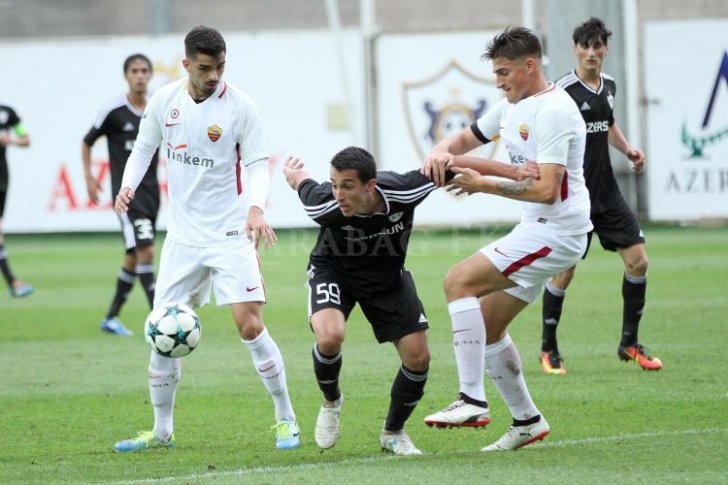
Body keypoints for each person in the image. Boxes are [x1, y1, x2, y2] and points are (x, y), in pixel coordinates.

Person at [113, 26, 300, 451]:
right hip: (182, 238)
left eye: (219, 66)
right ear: (186, 66)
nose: (214, 75)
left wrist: (256, 207)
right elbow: (143, 148)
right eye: (205, 68)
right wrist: (127, 185)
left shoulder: (239, 107)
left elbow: (256, 162)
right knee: (161, 329)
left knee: (249, 325)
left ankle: (286, 419)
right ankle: (161, 432)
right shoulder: (165, 102)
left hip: (230, 233)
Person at [282, 147, 537, 456]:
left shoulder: (404, 189)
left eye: (347, 186)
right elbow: (303, 184)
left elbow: (453, 163)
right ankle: (331, 400)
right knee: (330, 337)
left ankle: (393, 433)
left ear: (371, 185)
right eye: (334, 184)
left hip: (388, 279)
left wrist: (515, 173)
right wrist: (296, 175)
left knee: (418, 358)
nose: (338, 194)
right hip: (333, 272)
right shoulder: (322, 204)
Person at [421, 26, 592, 452]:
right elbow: (465, 137)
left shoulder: (553, 111)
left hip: (558, 231)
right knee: (489, 323)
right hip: (538, 229)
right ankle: (527, 422)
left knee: (458, 282)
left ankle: (471, 399)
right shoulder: (512, 106)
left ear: (529, 66)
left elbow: (546, 190)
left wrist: (482, 184)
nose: (498, 83)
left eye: (503, 73)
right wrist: (441, 151)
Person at [537, 17, 662, 375]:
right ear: (575, 49)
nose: (592, 53)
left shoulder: (608, 85)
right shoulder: (560, 91)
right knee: (564, 272)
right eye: (585, 46)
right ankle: (548, 349)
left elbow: (606, 123)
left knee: (638, 261)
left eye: (598, 46)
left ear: (606, 49)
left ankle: (629, 343)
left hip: (607, 193)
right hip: (574, 196)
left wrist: (628, 150)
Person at [82, 53, 160, 336]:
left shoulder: (157, 108)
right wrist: (90, 177)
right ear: (126, 75)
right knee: (146, 250)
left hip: (152, 194)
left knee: (133, 255)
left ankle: (111, 317)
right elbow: (87, 141)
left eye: (144, 71)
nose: (139, 75)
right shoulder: (113, 110)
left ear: (150, 75)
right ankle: (160, 317)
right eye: (134, 71)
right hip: (126, 196)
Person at [0, 104, 33, 298]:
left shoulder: (6, 113)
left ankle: (13, 282)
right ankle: (13, 282)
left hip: (2, 179)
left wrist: (9, 140)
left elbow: (26, 139)